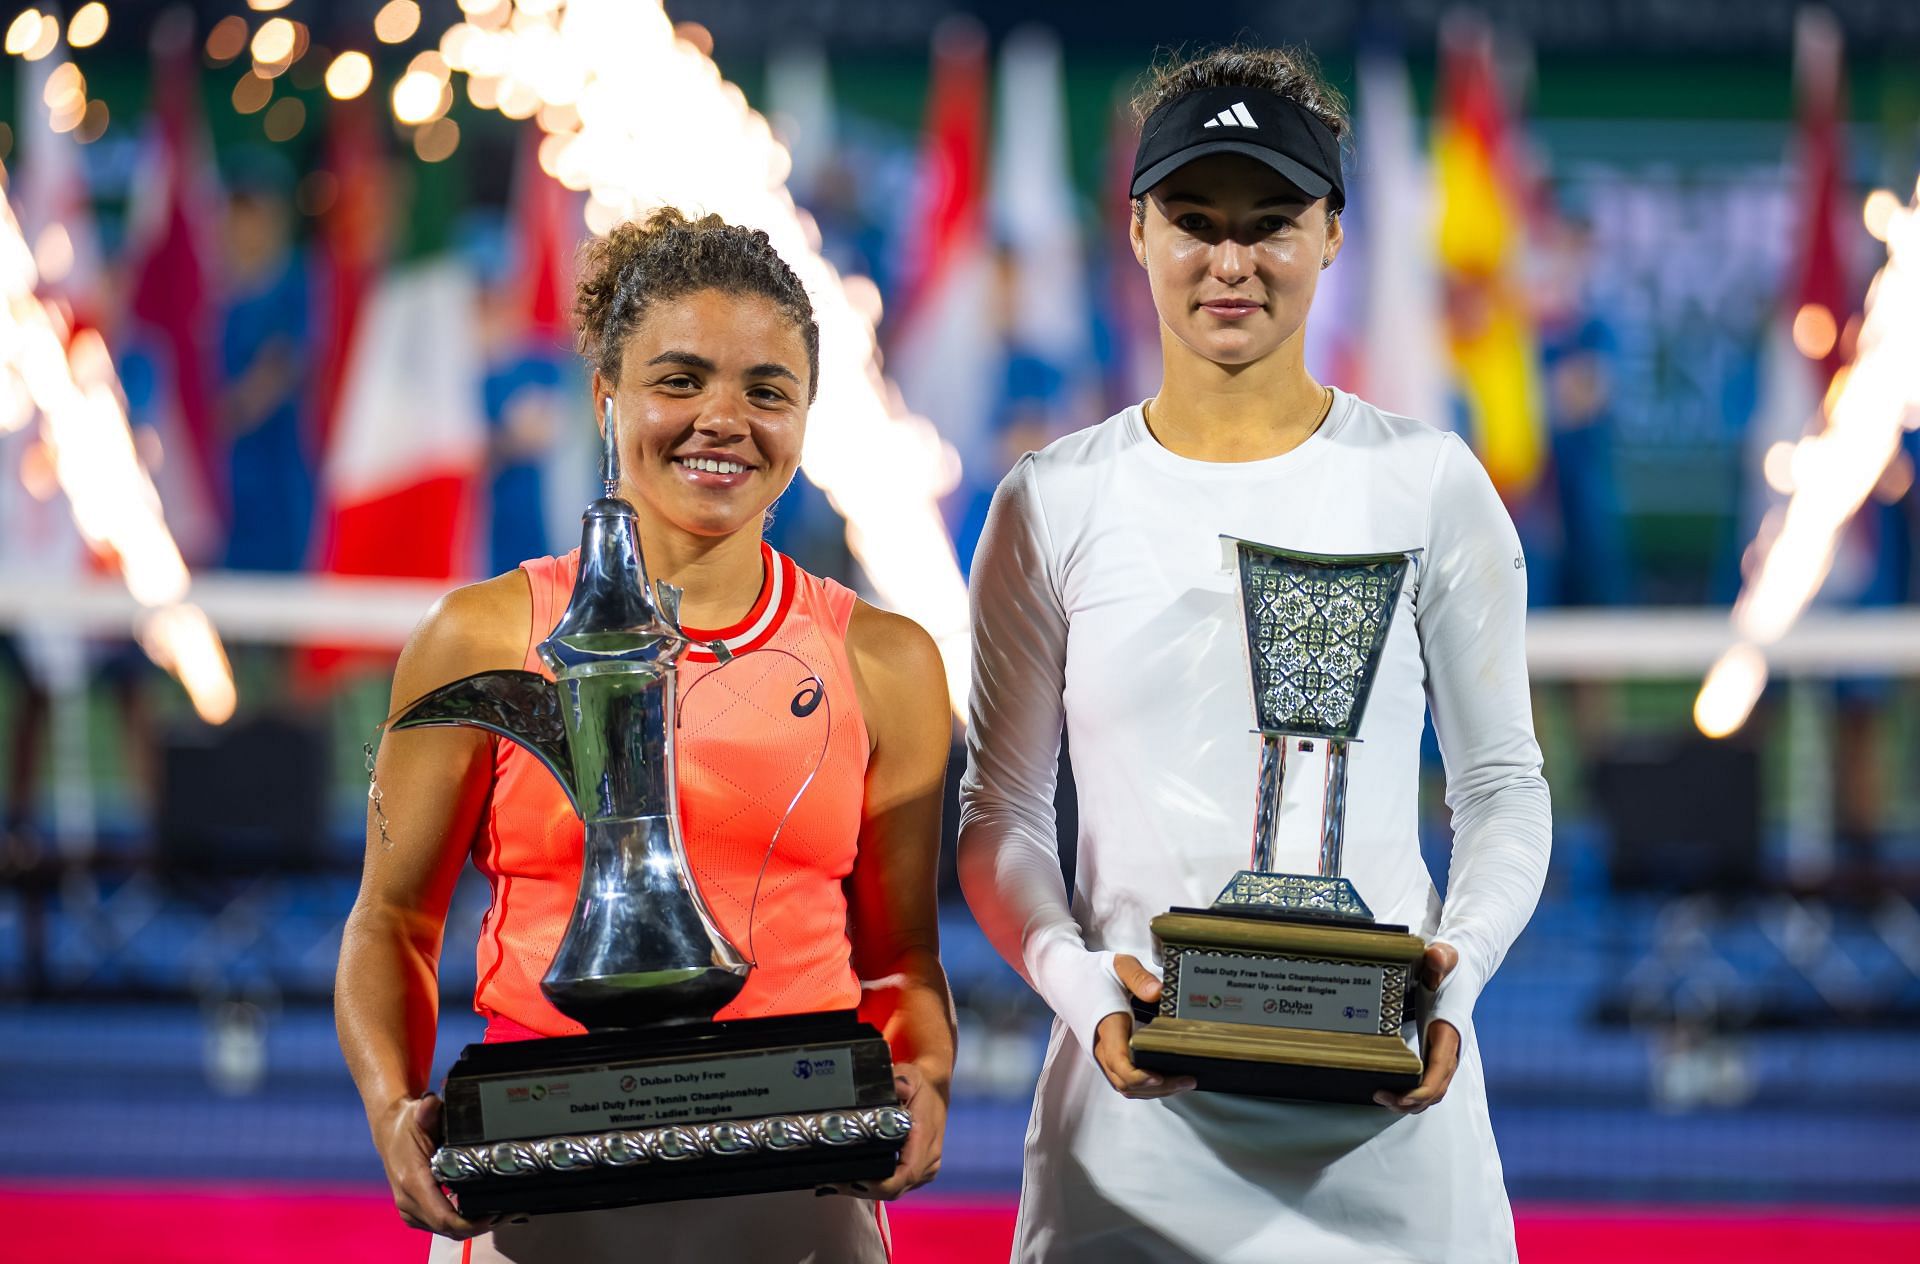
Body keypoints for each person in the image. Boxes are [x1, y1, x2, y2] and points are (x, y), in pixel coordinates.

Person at [958, 45, 1552, 1263]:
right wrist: (1082, 987)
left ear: (1335, 234)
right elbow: (1003, 813)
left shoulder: (1428, 482)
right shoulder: (1050, 501)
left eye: (1272, 221)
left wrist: (1460, 974)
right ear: (1135, 230)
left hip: (1387, 1129)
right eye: (1194, 220)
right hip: (1130, 1139)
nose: (1231, 260)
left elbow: (1504, 789)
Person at [336, 209, 955, 1263]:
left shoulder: (888, 664)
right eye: (680, 380)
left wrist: (926, 1084)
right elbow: (390, 920)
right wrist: (395, 1106)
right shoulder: (482, 636)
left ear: (807, 415)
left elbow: (900, 959)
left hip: (797, 1201)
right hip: (538, 1205)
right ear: (606, 398)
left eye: (767, 390)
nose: (723, 418)